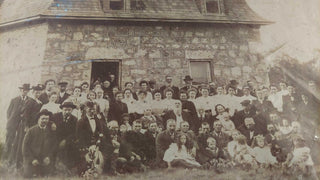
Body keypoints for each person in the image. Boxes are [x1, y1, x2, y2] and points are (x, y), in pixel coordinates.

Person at [22, 109, 57, 178]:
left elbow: (54, 146)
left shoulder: (50, 131)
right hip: (32, 159)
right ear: (38, 119)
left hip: (44, 159)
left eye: (47, 119)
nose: (45, 121)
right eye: (43, 119)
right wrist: (32, 159)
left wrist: (48, 157)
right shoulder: (31, 131)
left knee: (48, 175)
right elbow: (25, 147)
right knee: (28, 175)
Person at [5, 84, 33, 163]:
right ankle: (6, 157)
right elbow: (9, 112)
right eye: (23, 90)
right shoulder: (14, 100)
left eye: (27, 90)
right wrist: (11, 121)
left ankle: (15, 158)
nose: (25, 92)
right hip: (13, 124)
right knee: (10, 139)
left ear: (28, 91)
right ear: (20, 90)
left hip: (22, 124)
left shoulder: (30, 101)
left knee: (19, 140)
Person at [51, 101, 78, 172]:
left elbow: (74, 133)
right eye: (65, 110)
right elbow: (49, 123)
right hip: (55, 138)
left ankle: (68, 166)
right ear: (62, 109)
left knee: (70, 148)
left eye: (69, 110)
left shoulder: (74, 119)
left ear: (72, 110)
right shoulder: (55, 116)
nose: (67, 112)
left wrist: (65, 140)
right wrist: (52, 124)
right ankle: (52, 166)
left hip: (67, 140)